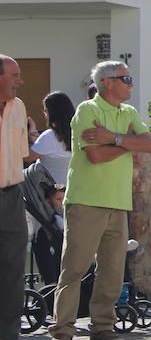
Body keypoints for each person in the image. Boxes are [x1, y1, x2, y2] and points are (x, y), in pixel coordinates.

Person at [48, 60, 151, 340]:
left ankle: (103, 327)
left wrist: (114, 139)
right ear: (108, 82)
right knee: (74, 268)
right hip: (86, 201)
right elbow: (94, 155)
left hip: (117, 202)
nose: (131, 84)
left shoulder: (128, 112)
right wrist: (126, 145)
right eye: (126, 79)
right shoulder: (87, 110)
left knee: (112, 269)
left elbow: (148, 144)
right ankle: (62, 331)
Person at [0, 56, 34, 340]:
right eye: (14, 75)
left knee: (13, 267)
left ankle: (10, 335)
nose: (19, 80)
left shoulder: (19, 107)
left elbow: (22, 154)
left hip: (11, 193)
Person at [29, 92, 75, 283]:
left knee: (44, 241)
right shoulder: (74, 134)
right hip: (70, 192)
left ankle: (51, 285)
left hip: (49, 196)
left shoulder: (49, 137)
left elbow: (28, 156)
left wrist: (30, 133)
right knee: (66, 241)